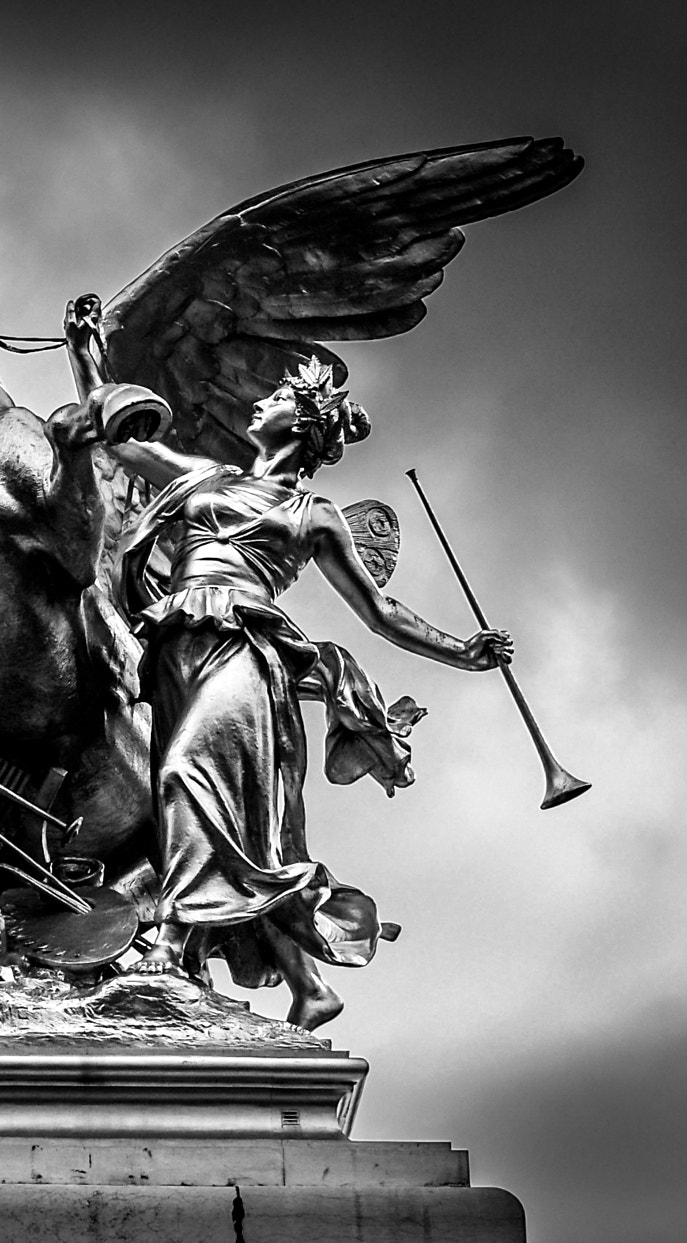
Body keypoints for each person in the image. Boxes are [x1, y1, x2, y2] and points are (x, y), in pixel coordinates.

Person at [99, 355, 513, 1028]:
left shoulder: (312, 513)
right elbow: (123, 441)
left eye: (278, 397)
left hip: (247, 649)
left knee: (183, 778)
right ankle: (303, 982)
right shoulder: (207, 477)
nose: (259, 404)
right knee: (211, 817)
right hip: (173, 648)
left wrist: (461, 653)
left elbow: (379, 610)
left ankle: (172, 947)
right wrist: (88, 349)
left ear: (309, 422)